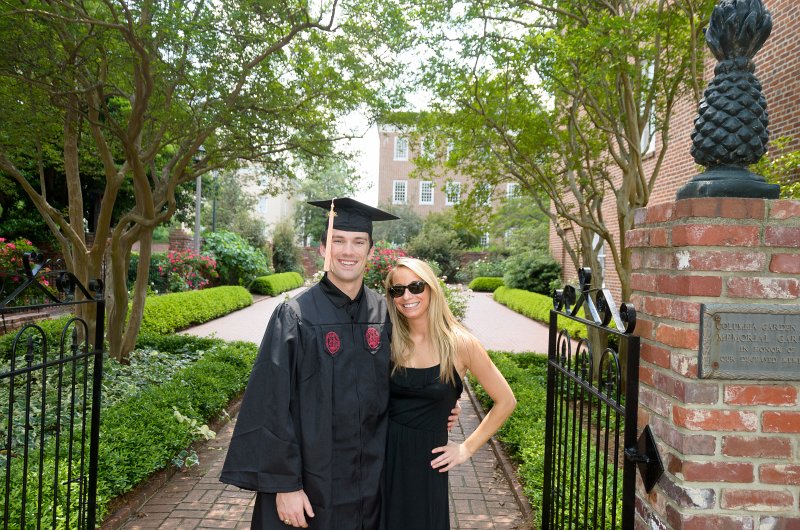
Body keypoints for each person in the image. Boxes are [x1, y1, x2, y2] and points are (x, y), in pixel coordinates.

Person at [219, 198, 458, 530]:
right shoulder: (295, 316)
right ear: (322, 249)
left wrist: (437, 405)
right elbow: (269, 405)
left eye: (358, 242)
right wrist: (284, 485)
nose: (348, 251)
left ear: (371, 251)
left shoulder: (386, 315)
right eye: (338, 241)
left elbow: (410, 375)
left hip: (374, 482)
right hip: (314, 483)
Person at [382, 257, 516, 530]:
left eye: (416, 287)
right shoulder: (388, 337)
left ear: (431, 288)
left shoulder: (461, 344)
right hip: (381, 456)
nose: (407, 296)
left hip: (427, 464)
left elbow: (506, 401)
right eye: (398, 290)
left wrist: (466, 448)